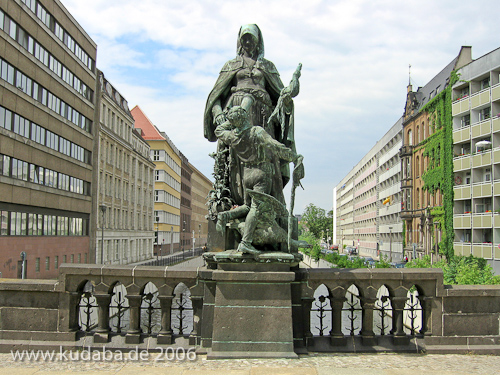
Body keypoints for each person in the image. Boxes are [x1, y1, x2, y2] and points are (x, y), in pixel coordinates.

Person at [204, 24, 297, 205]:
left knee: (267, 154)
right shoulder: (231, 65)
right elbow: (214, 97)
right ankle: (238, 203)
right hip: (237, 115)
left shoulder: (267, 66)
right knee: (235, 159)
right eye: (244, 38)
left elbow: (281, 94)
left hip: (262, 118)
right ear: (239, 40)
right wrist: (218, 115)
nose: (247, 41)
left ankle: (267, 203)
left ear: (258, 41)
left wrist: (286, 101)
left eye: (251, 38)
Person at [214, 106, 303, 254]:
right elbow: (275, 146)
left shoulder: (233, 136)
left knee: (248, 206)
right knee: (256, 208)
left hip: (246, 175)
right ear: (245, 116)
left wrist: (231, 122)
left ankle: (225, 215)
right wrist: (294, 157)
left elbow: (218, 130)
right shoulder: (256, 131)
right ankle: (246, 242)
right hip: (261, 173)